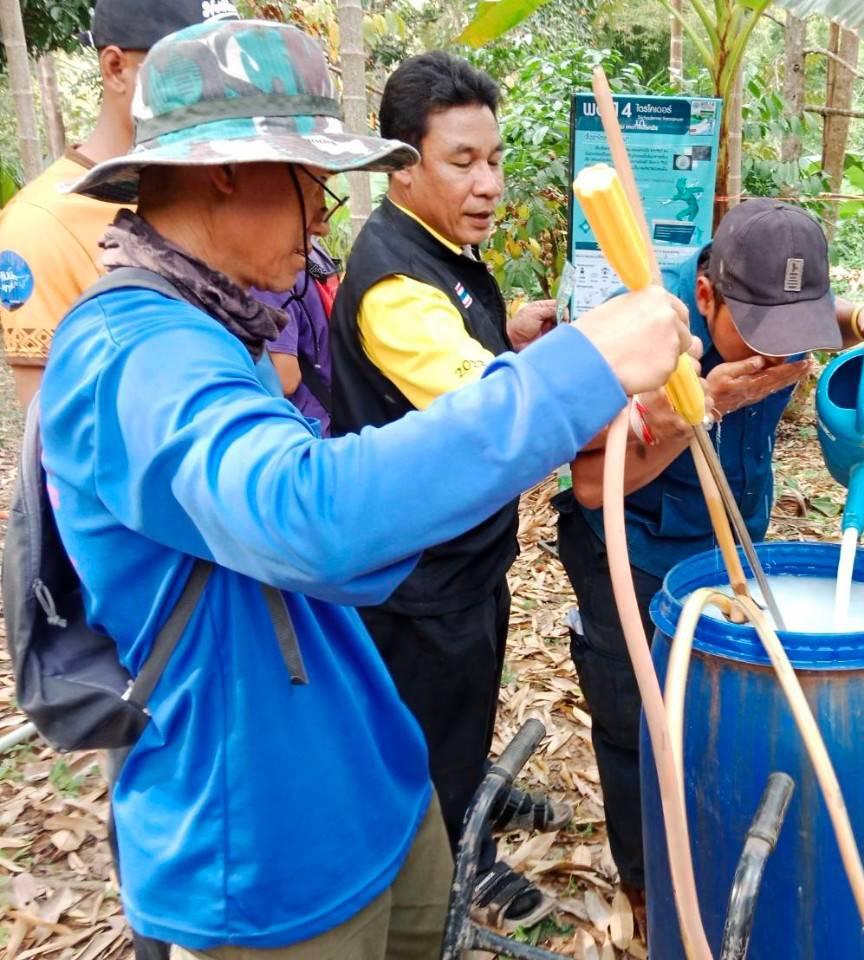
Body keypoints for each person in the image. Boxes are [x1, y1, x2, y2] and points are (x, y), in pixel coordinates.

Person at [43, 19, 694, 958]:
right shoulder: (134, 356)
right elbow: (308, 514)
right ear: (229, 172)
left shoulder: (219, 330)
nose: (321, 218)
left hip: (364, 785)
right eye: (313, 184)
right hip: (262, 853)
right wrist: (576, 371)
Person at [555, 199, 864, 904]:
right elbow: (595, 484)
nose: (776, 353)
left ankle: (716, 850)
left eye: (794, 331)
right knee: (637, 718)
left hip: (733, 544)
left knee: (718, 706)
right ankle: (648, 883)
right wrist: (698, 409)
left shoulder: (778, 305)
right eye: (757, 333)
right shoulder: (643, 330)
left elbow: (834, 317)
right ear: (709, 295)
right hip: (636, 551)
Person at [329, 51, 564, 929]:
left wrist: (510, 334)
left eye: (495, 159)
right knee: (429, 726)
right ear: (403, 164)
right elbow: (487, 415)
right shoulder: (394, 283)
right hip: (417, 574)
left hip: (462, 556)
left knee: (465, 709)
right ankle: (462, 868)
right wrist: (594, 370)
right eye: (462, 162)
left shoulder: (441, 255)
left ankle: (469, 806)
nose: (489, 182)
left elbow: (469, 356)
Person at [0, 0, 237, 410]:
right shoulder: (38, 227)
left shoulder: (220, 190)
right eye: (193, 68)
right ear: (115, 68)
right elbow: (58, 430)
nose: (218, 90)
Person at [259, 242, 340, 435]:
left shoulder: (266, 275)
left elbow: (286, 380)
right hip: (335, 406)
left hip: (309, 425)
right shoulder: (314, 248)